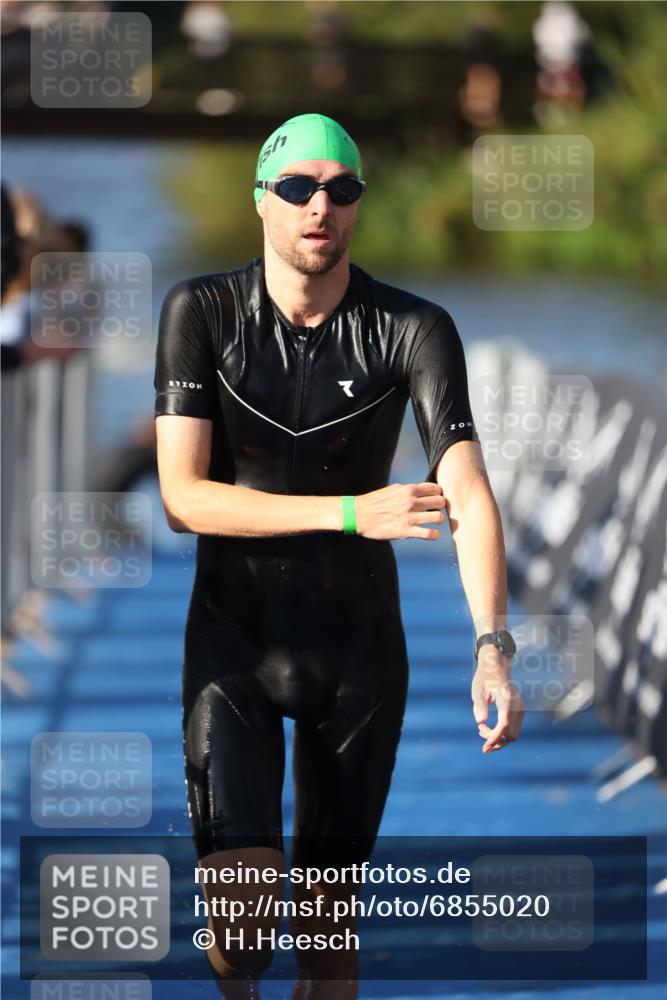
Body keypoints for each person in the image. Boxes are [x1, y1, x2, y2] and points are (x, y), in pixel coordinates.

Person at [154, 113, 525, 999]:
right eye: (297, 188)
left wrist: (492, 648)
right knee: (240, 935)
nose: (320, 206)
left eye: (341, 189)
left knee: (327, 937)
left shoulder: (412, 327)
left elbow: (467, 492)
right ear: (261, 201)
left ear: (357, 204)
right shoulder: (200, 312)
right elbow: (182, 497)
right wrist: (355, 512)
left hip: (355, 655)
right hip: (234, 647)